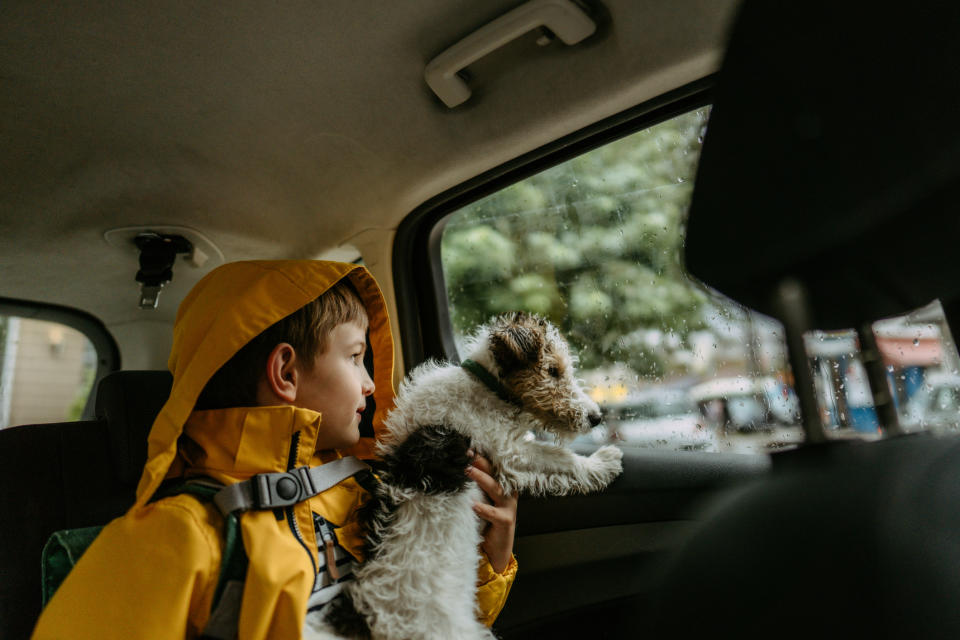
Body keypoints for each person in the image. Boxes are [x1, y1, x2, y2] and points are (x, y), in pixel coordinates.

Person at [32, 260, 518, 639]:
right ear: (285, 373)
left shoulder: (368, 494)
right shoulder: (179, 536)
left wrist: (488, 561)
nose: (372, 384)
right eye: (354, 358)